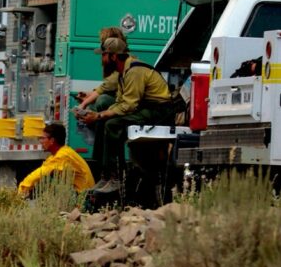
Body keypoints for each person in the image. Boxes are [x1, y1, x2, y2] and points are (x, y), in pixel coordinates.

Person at [78, 37, 173, 194]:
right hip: (147, 108)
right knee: (108, 122)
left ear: (113, 56)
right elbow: (120, 102)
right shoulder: (124, 72)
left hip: (159, 111)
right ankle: (107, 176)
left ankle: (115, 177)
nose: (102, 59)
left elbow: (128, 105)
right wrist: (98, 115)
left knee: (112, 124)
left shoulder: (134, 71)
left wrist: (99, 116)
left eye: (104, 55)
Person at [74, 27, 127, 181]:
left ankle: (106, 169)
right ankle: (103, 169)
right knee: (100, 106)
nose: (102, 54)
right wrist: (88, 96)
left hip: (127, 108)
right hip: (120, 105)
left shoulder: (123, 66)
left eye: (104, 51)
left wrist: (85, 104)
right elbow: (106, 88)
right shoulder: (116, 65)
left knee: (102, 105)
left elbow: (106, 88)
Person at [17, 122, 95, 197]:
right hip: (81, 194)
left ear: (52, 140)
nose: (40, 141)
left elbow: (39, 174)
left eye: (43, 138)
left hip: (84, 198)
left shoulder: (62, 156)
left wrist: (21, 190)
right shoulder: (62, 153)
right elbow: (44, 169)